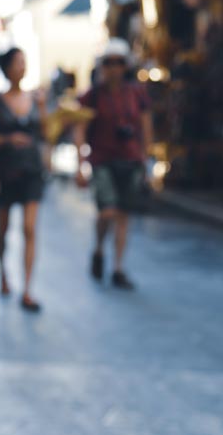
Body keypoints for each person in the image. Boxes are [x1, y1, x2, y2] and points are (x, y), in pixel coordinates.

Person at [74, 38, 152, 290]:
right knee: (107, 211)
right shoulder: (92, 96)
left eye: (119, 63)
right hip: (102, 160)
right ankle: (98, 248)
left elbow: (146, 127)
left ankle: (118, 268)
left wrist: (147, 159)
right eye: (109, 63)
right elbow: (80, 128)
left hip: (130, 159)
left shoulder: (136, 93)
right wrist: (80, 163)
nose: (115, 68)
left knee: (123, 216)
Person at [0, 47, 47, 311]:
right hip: (6, 168)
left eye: (24, 62)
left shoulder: (36, 98)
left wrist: (48, 157)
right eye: (18, 62)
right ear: (7, 68)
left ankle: (28, 287)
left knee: (30, 228)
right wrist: (7, 139)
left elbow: (45, 131)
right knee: (3, 228)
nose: (22, 67)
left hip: (32, 168)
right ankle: (2, 272)